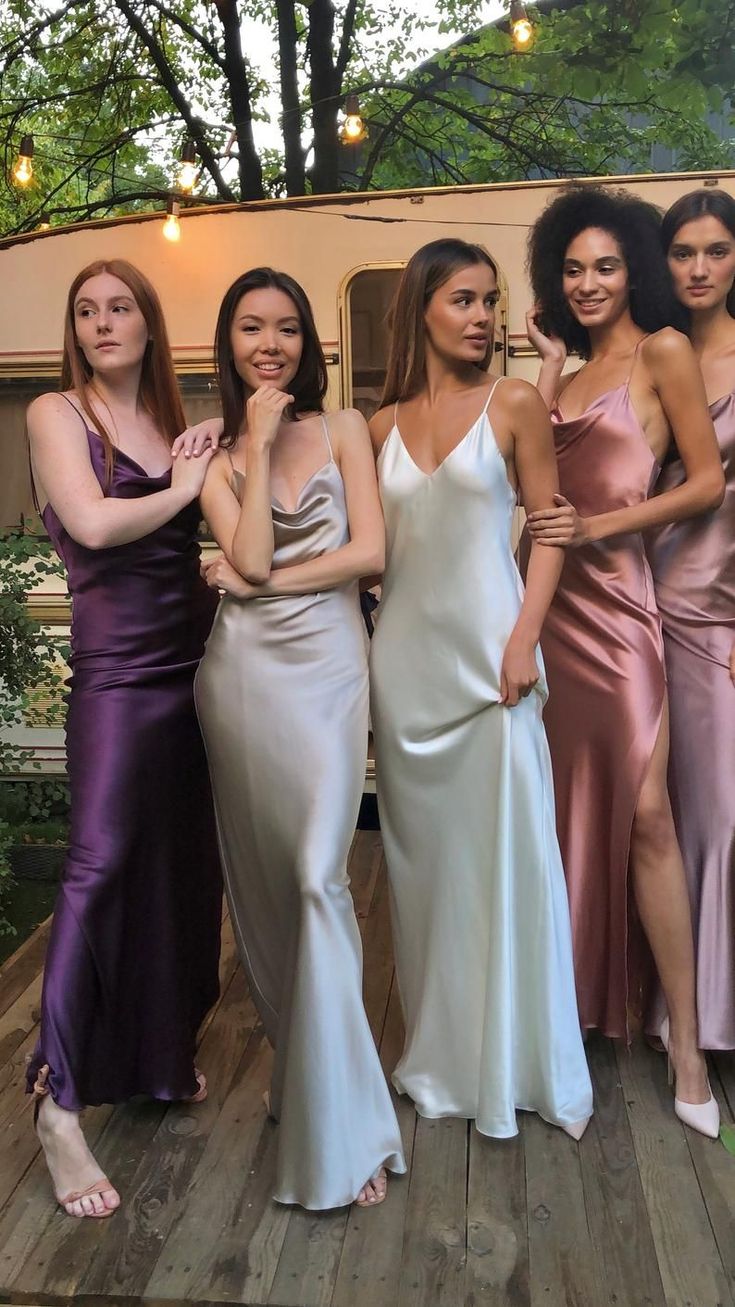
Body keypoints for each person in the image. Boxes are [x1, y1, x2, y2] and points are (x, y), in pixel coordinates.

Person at [368, 238, 593, 1141]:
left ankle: (513, 1065)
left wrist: (523, 641)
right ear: (421, 305)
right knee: (426, 882)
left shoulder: (514, 401)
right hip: (404, 677)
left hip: (492, 666)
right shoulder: (377, 425)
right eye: (464, 299)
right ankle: (442, 1054)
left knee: (505, 865)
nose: (483, 316)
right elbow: (366, 555)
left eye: (490, 300)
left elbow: (549, 531)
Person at [194, 267, 405, 1210]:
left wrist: (261, 583)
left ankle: (349, 1126)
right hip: (239, 681)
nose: (269, 343)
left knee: (321, 874)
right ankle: (299, 1064)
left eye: (286, 327)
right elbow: (241, 552)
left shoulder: (350, 428)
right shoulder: (212, 459)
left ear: (309, 341)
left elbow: (370, 554)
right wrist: (260, 437)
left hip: (324, 667)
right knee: (268, 888)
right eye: (251, 328)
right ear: (229, 342)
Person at [525, 184, 724, 1135]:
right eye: (572, 268)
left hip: (620, 613)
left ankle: (685, 1047)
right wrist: (545, 363)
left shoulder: (662, 351)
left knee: (645, 816)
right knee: (563, 818)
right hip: (544, 615)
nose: (589, 281)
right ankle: (567, 1024)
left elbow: (704, 483)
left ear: (633, 268)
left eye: (606, 265)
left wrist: (602, 525)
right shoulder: (556, 374)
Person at [25, 258, 223, 1217]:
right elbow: (97, 525)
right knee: (98, 866)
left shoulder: (175, 425)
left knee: (181, 865)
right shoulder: (57, 415)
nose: (104, 322)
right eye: (87, 310)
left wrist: (218, 444)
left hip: (197, 670)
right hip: (116, 679)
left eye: (121, 307)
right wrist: (186, 491)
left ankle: (157, 1053)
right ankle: (58, 1104)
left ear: (150, 324)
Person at [644, 189, 735, 1050]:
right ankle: (671, 1001)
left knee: (720, 810)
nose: (699, 269)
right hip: (638, 600)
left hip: (719, 613)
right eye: (682, 252)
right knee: (652, 809)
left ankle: (708, 1013)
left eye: (715, 251)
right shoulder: (650, 355)